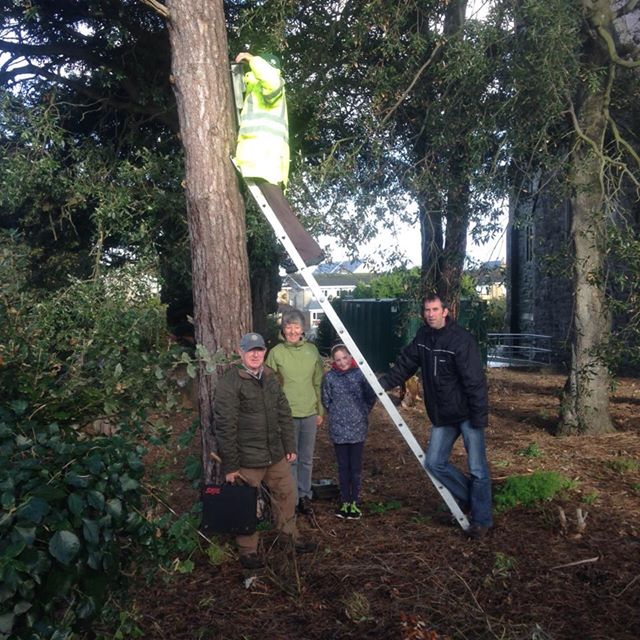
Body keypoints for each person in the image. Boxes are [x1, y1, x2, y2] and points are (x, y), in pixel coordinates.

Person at [379, 294, 493, 539]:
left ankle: (482, 521)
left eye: (435, 309)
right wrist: (381, 385)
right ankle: (471, 499)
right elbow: (405, 364)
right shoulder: (423, 337)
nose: (430, 314)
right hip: (443, 414)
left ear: (445, 311)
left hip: (466, 413)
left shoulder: (461, 340)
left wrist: (479, 416)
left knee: (477, 468)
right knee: (434, 463)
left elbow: (475, 382)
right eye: (427, 310)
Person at [213, 332, 316, 569]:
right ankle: (248, 550)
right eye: (250, 350)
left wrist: (289, 445)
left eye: (259, 350)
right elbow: (225, 426)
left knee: (287, 493)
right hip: (247, 459)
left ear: (264, 352)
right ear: (241, 353)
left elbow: (283, 412)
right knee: (244, 502)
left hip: (274, 454)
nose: (255, 354)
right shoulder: (230, 382)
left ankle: (289, 537)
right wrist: (230, 465)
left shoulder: (270, 377)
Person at [233, 50, 324, 269]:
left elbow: (272, 80)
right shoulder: (255, 90)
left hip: (264, 156)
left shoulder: (272, 83)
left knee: (279, 208)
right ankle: (303, 250)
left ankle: (308, 250)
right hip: (261, 157)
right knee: (276, 208)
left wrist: (251, 59)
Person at [265, 309, 324, 515]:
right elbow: (269, 386)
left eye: (296, 327)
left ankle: (305, 495)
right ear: (283, 329)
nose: (292, 331)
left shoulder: (312, 351)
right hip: (286, 415)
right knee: (291, 459)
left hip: (309, 411)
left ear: (303, 329)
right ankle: (292, 499)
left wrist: (319, 410)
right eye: (288, 326)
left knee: (306, 458)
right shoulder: (276, 353)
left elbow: (317, 382)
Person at [321, 344, 377, 520]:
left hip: (357, 427)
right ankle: (345, 500)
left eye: (345, 358)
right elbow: (326, 399)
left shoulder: (360, 375)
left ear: (350, 357)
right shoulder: (330, 377)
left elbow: (370, 396)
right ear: (333, 362)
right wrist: (338, 414)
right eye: (338, 359)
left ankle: (354, 500)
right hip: (338, 428)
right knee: (343, 467)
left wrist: (361, 411)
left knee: (355, 467)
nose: (342, 362)